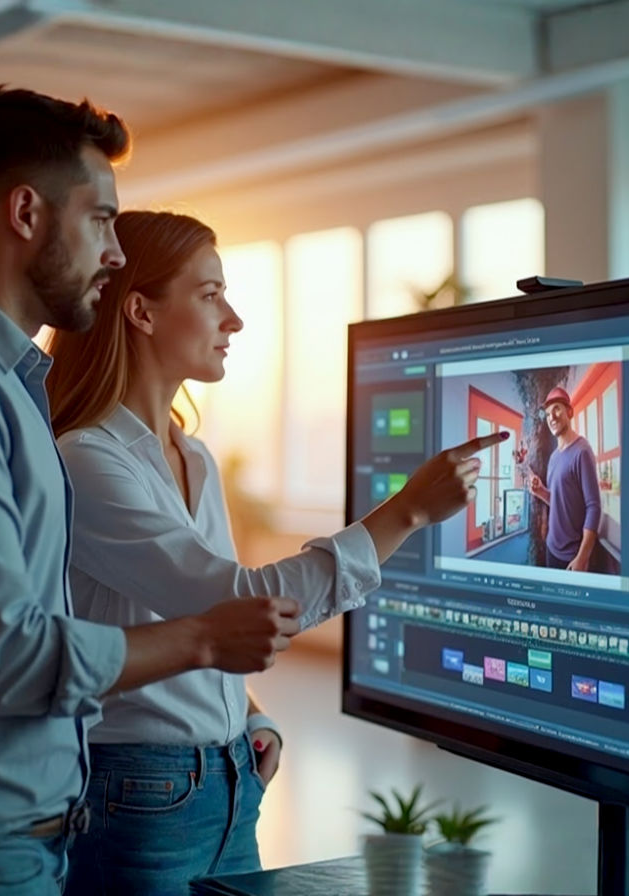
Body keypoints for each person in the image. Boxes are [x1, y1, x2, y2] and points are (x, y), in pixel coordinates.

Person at [0, 89, 302, 896]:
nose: (114, 254)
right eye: (101, 220)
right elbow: (4, 656)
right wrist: (203, 641)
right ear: (27, 212)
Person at [44, 210, 507, 895]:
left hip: (226, 779)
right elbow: (242, 602)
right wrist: (407, 511)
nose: (233, 319)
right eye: (210, 295)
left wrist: (249, 715)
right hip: (141, 796)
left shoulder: (191, 455)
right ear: (140, 311)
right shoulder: (86, 461)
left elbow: (199, 626)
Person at [528, 386, 602, 571]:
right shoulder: (554, 457)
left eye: (557, 409)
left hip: (572, 557)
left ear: (569, 411)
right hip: (552, 549)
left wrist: (582, 558)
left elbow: (593, 507)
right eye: (547, 413)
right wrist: (541, 492)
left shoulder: (582, 451)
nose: (551, 417)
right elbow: (559, 501)